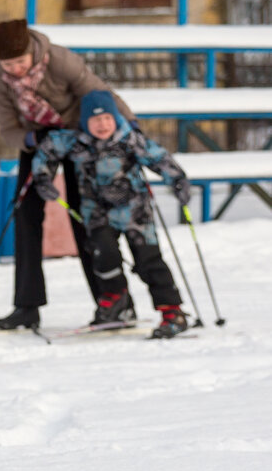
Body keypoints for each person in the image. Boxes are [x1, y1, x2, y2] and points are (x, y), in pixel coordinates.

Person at [0, 18, 139, 330]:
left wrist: (131, 127)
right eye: (7, 63)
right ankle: (26, 306)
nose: (14, 69)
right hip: (39, 142)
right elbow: (9, 128)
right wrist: (30, 140)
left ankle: (112, 302)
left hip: (79, 137)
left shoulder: (60, 60)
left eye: (19, 61)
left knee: (84, 218)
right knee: (25, 214)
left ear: (31, 51)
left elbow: (101, 95)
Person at [31, 89, 192, 338]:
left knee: (148, 260)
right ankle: (117, 302)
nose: (103, 125)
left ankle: (172, 310)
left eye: (107, 118)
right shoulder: (76, 141)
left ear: (116, 118)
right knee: (103, 256)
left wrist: (178, 179)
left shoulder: (129, 139)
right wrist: (43, 177)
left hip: (134, 210)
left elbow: (158, 157)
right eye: (95, 120)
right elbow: (48, 149)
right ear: (85, 122)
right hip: (97, 212)